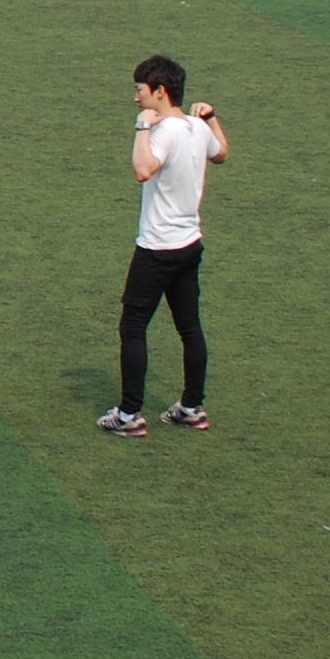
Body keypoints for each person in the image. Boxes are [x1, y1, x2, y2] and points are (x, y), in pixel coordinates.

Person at [98, 56, 223, 435]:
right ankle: (192, 406)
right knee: (189, 327)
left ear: (160, 92)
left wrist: (142, 127)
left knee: (133, 327)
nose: (137, 99)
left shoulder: (164, 131)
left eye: (140, 91)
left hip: (157, 249)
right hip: (190, 244)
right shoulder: (197, 127)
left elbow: (143, 169)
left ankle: (129, 414)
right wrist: (212, 118)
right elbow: (221, 152)